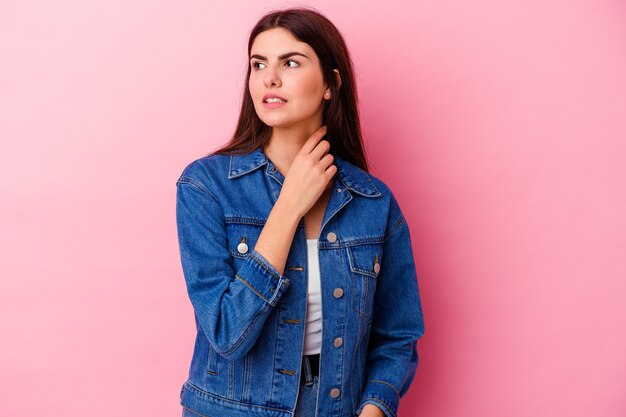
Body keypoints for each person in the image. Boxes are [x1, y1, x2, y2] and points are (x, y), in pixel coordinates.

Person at [175, 7, 425, 417]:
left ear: (331, 83)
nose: (270, 78)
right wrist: (288, 207)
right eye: (259, 65)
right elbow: (226, 333)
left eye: (290, 62)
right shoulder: (206, 186)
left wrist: (374, 409)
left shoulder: (374, 202)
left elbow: (397, 335)